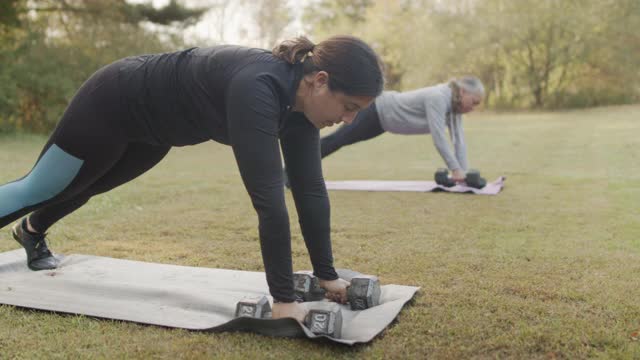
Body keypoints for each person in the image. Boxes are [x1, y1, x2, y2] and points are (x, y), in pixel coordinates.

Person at [0, 35, 385, 322]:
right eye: (348, 107)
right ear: (320, 81)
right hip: (114, 99)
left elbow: (310, 192)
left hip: (158, 132)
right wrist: (283, 301)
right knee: (43, 186)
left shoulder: (302, 110)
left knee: (90, 184)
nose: (349, 120)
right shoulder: (259, 87)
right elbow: (269, 202)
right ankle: (31, 224)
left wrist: (327, 276)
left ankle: (30, 232)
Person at [316, 76, 484, 183]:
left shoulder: (454, 109)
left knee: (338, 141)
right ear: (462, 91)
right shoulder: (438, 97)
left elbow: (458, 140)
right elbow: (439, 136)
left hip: (382, 123)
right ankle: (293, 170)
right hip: (375, 110)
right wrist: (455, 170)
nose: (473, 108)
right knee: (337, 140)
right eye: (474, 102)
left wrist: (463, 174)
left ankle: (295, 170)